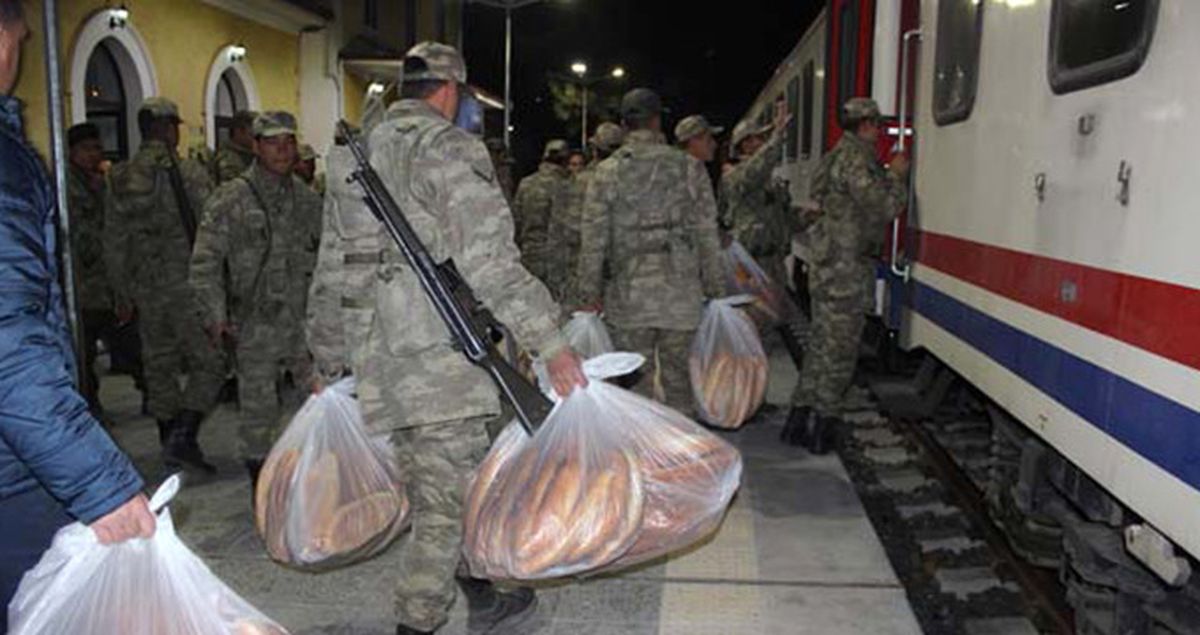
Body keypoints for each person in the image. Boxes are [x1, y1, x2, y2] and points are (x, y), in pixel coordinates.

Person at [307, 41, 586, 635]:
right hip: (442, 360)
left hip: (382, 358)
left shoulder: (351, 156)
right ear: (451, 91)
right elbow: (491, 261)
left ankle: (483, 593)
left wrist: (326, 356)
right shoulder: (448, 148)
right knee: (444, 508)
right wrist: (551, 341)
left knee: (441, 486)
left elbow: (332, 267)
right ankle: (418, 621)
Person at [0, 4, 155, 629]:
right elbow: (5, 341)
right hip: (13, 474)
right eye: (17, 34)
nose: (23, 47)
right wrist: (101, 484)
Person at [191, 111, 322, 484]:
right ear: (256, 146)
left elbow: (329, 259)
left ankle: (309, 486)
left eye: (288, 142)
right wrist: (215, 316)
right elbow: (205, 262)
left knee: (318, 406)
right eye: (272, 142)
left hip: (303, 325)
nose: (282, 150)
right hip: (255, 325)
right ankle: (262, 490)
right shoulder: (231, 198)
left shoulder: (308, 200)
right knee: (258, 417)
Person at [576, 88, 724, 413]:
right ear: (658, 120)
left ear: (625, 124)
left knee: (634, 387)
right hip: (681, 296)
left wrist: (588, 294)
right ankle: (681, 453)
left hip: (630, 299)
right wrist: (715, 287)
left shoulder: (607, 172)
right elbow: (707, 234)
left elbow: (593, 239)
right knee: (679, 383)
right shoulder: (689, 167)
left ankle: (642, 457)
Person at [104, 97, 225, 473]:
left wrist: (120, 291)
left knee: (159, 365)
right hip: (187, 285)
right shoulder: (189, 173)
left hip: (145, 288)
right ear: (167, 127)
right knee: (213, 361)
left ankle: (167, 436)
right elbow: (211, 228)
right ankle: (183, 435)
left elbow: (113, 238)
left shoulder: (120, 176)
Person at [782, 97, 908, 453]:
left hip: (828, 265)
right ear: (867, 125)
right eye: (878, 125)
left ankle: (798, 420)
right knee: (839, 352)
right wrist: (896, 176)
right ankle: (823, 430)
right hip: (846, 270)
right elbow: (884, 206)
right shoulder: (855, 160)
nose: (879, 132)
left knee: (821, 347)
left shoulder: (832, 157)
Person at [66, 122, 114, 419]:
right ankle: (89, 406)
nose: (93, 154)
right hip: (83, 286)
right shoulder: (68, 185)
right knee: (83, 354)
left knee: (129, 345)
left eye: (97, 148)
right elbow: (83, 239)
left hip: (106, 285)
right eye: (86, 149)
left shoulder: (99, 182)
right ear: (72, 152)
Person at [552, 123, 624, 303]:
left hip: (584, 272)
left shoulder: (582, 180)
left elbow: (569, 232)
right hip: (623, 275)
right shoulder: (632, 178)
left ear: (594, 149)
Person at [512, 138, 570, 289]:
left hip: (529, 255)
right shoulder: (566, 185)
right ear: (565, 160)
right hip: (557, 261)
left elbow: (516, 221)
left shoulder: (526, 184)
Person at [212, 109, 258, 184]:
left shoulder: (250, 155)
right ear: (239, 131)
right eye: (252, 134)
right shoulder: (227, 158)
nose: (257, 139)